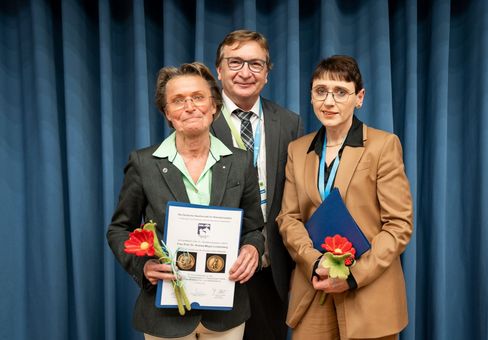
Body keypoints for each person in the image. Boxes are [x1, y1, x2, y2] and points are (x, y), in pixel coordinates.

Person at [107, 62, 265, 340]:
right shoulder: (144, 163)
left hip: (226, 313)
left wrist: (252, 249)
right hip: (164, 316)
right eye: (178, 101)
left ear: (214, 105)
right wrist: (143, 268)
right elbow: (119, 230)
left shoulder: (240, 162)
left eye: (198, 97)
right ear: (167, 113)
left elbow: (254, 228)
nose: (190, 107)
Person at [276, 55, 413, 340]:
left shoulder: (383, 145)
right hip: (314, 288)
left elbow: (398, 226)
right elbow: (288, 218)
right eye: (320, 91)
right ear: (312, 97)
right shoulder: (297, 150)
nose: (329, 101)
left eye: (340, 92)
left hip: (369, 293)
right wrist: (316, 263)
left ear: (359, 97)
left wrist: (352, 276)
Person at [211, 29, 303, 340]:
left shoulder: (290, 122)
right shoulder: (200, 119)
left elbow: (295, 195)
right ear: (219, 70)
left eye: (256, 64)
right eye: (235, 62)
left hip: (272, 266)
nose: (245, 73)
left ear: (267, 73)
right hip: (218, 263)